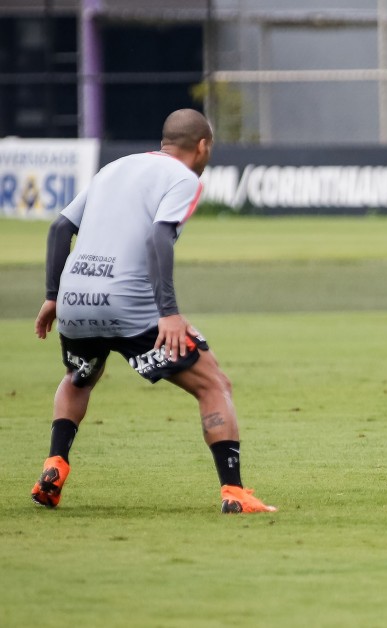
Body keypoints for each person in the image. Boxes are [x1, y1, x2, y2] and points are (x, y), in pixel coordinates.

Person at [32, 109, 276, 514]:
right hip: (129, 301)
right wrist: (169, 313)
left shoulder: (115, 167)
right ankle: (234, 493)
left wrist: (53, 296)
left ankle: (55, 464)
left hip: (76, 296)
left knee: (80, 377)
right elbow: (159, 237)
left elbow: (60, 228)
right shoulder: (184, 178)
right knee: (213, 383)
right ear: (202, 146)